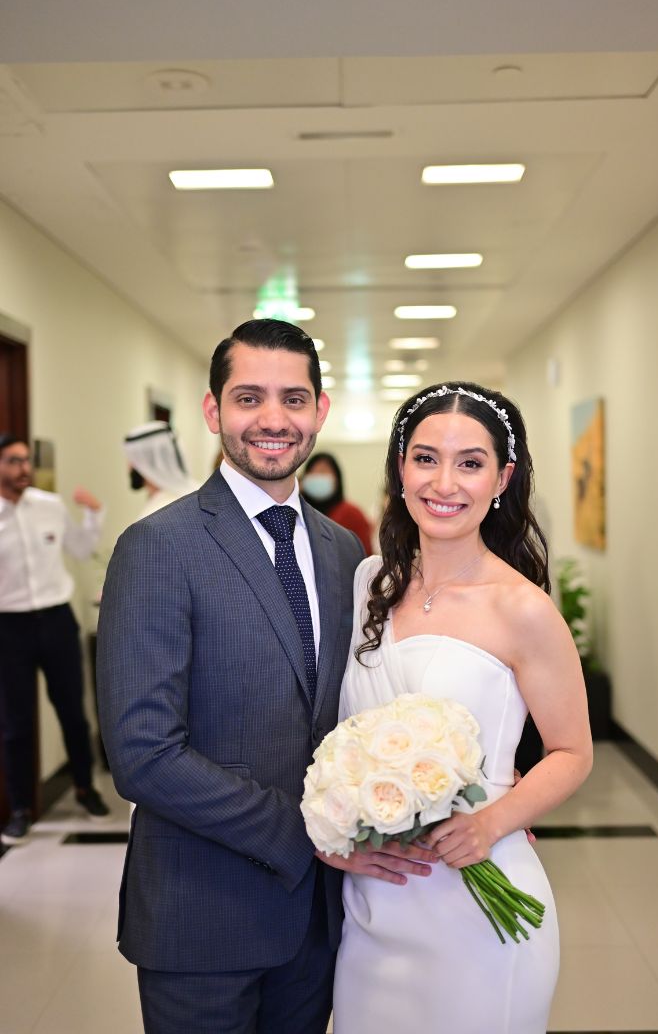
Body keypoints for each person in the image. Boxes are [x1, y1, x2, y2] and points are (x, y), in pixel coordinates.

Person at [96, 319, 435, 1034]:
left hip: (318, 920)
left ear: (321, 412)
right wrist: (308, 829)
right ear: (214, 411)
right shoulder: (158, 547)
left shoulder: (346, 552)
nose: (274, 420)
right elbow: (142, 753)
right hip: (203, 917)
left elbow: (359, 709)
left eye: (294, 398)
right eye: (249, 398)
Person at [332, 382, 593, 1034]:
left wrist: (492, 821)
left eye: (470, 463)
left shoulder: (523, 609)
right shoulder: (368, 584)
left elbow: (572, 751)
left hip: (478, 899)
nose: (444, 482)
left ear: (502, 477)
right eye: (425, 458)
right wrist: (332, 835)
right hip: (374, 904)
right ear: (400, 467)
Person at [0, 434, 111, 846]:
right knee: (15, 722)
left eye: (25, 460)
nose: (22, 468)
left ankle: (85, 789)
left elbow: (81, 550)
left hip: (55, 619)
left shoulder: (48, 507)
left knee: (72, 712)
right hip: (9, 625)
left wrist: (94, 516)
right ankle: (20, 809)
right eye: (13, 461)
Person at [300, 452, 374, 555]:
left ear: (337, 479)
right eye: (312, 472)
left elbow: (365, 557)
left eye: (323, 471)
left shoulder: (352, 514)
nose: (317, 476)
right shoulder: (297, 514)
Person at [123, 420, 198, 520]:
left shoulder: (161, 511)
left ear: (147, 462)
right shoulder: (196, 494)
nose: (129, 467)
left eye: (132, 460)